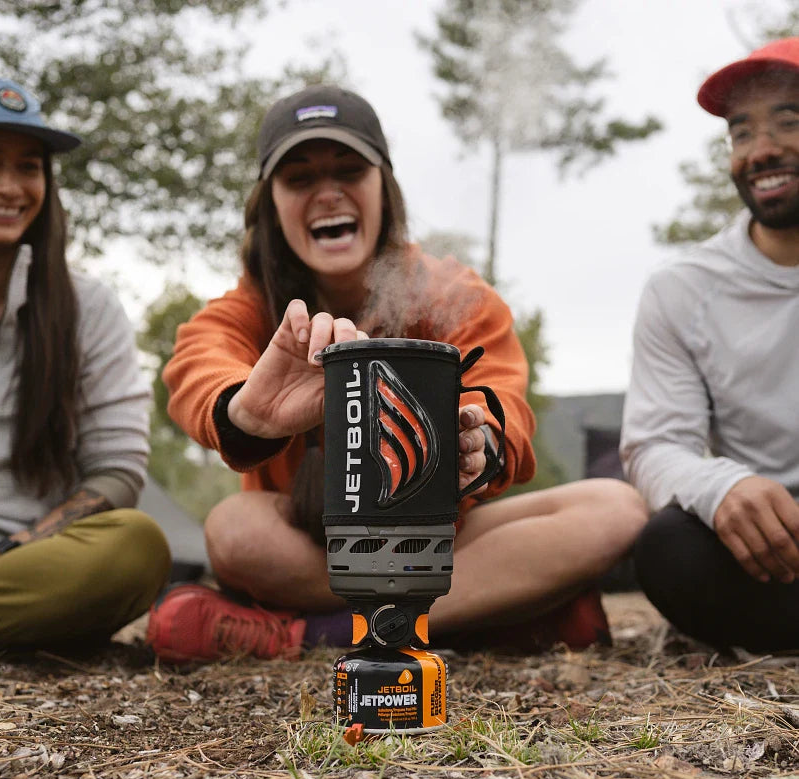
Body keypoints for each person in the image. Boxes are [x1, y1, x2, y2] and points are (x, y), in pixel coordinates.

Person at [147, 85, 647, 663]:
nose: (328, 192)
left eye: (349, 170)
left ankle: (310, 635)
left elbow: (499, 396)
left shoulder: (450, 293)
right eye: (300, 178)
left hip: (434, 541)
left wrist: (479, 443)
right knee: (234, 529)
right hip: (307, 545)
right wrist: (244, 411)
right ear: (270, 205)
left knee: (616, 507)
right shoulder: (251, 307)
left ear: (384, 188)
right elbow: (197, 361)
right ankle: (496, 609)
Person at [0, 78, 170, 652]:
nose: (9, 187)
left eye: (29, 167)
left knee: (136, 546)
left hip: (32, 564)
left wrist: (3, 552)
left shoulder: (91, 306)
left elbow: (118, 471)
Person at [620, 37, 799, 652]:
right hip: (777, 541)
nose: (762, 150)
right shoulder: (681, 288)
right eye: (741, 132)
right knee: (669, 547)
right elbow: (656, 445)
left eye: (788, 122)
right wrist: (721, 488)